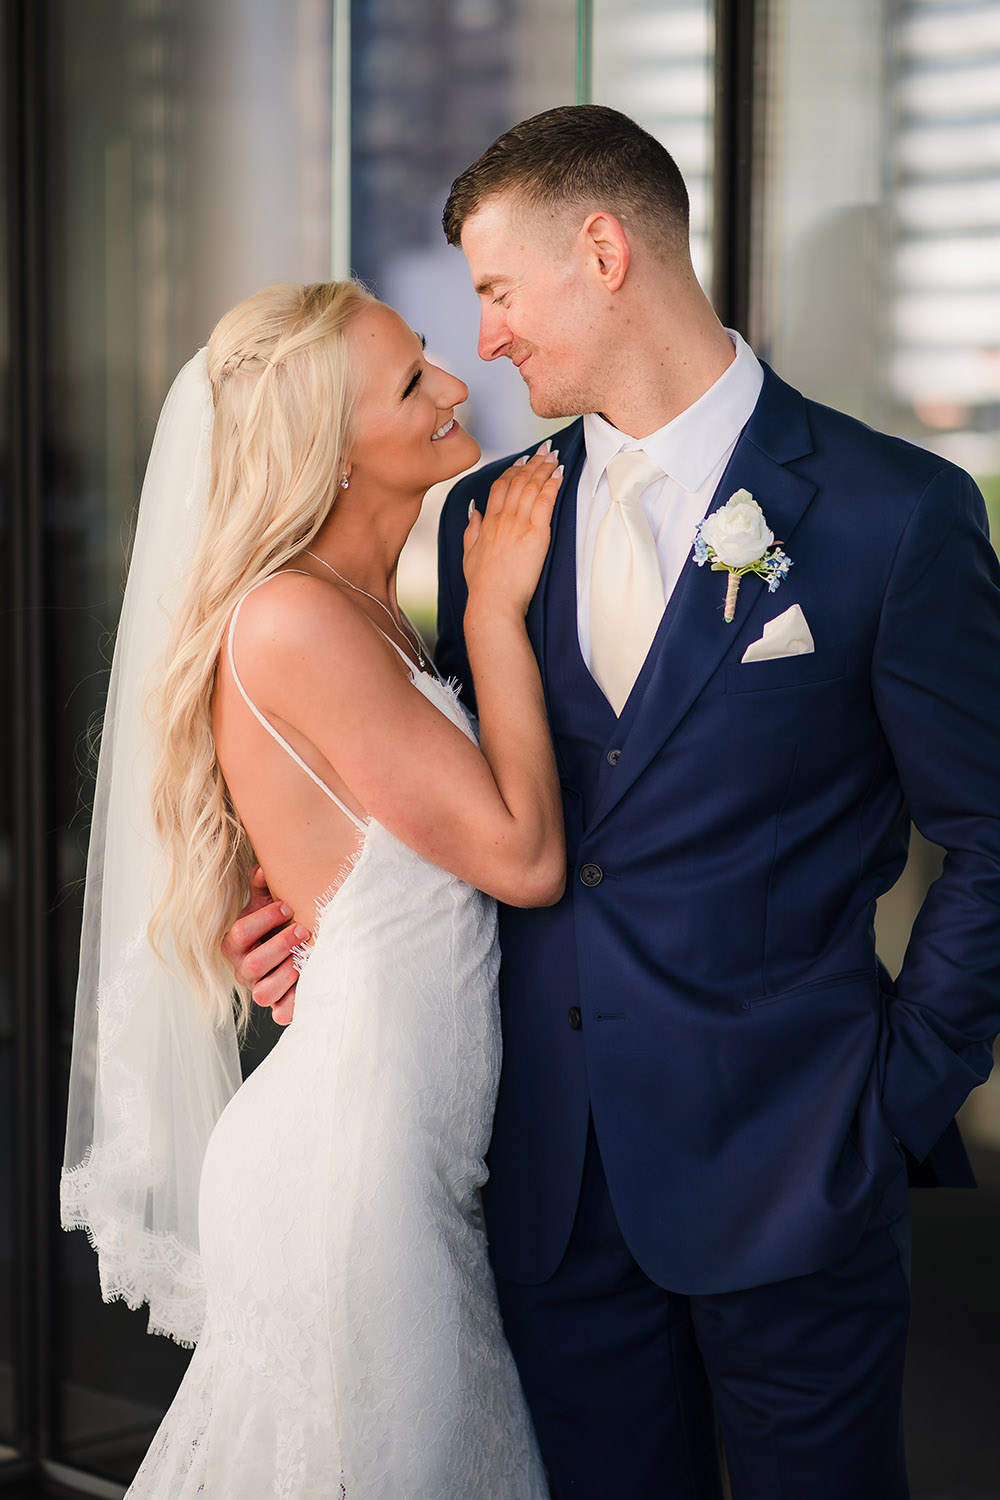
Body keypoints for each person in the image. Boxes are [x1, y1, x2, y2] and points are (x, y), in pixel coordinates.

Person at [227, 108, 1000, 1500]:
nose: (491, 339)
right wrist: (312, 915)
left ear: (603, 250)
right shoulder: (486, 523)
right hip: (546, 1183)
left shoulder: (897, 515)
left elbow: (993, 835)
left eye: (498, 291)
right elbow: (460, 808)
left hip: (797, 1166)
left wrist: (891, 1095)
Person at [61, 278, 566, 1498]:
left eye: (429, 357)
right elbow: (523, 857)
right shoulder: (294, 618)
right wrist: (495, 612)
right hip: (355, 1178)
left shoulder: (362, 607)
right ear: (328, 456)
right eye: (410, 385)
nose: (455, 386)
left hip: (406, 1160)